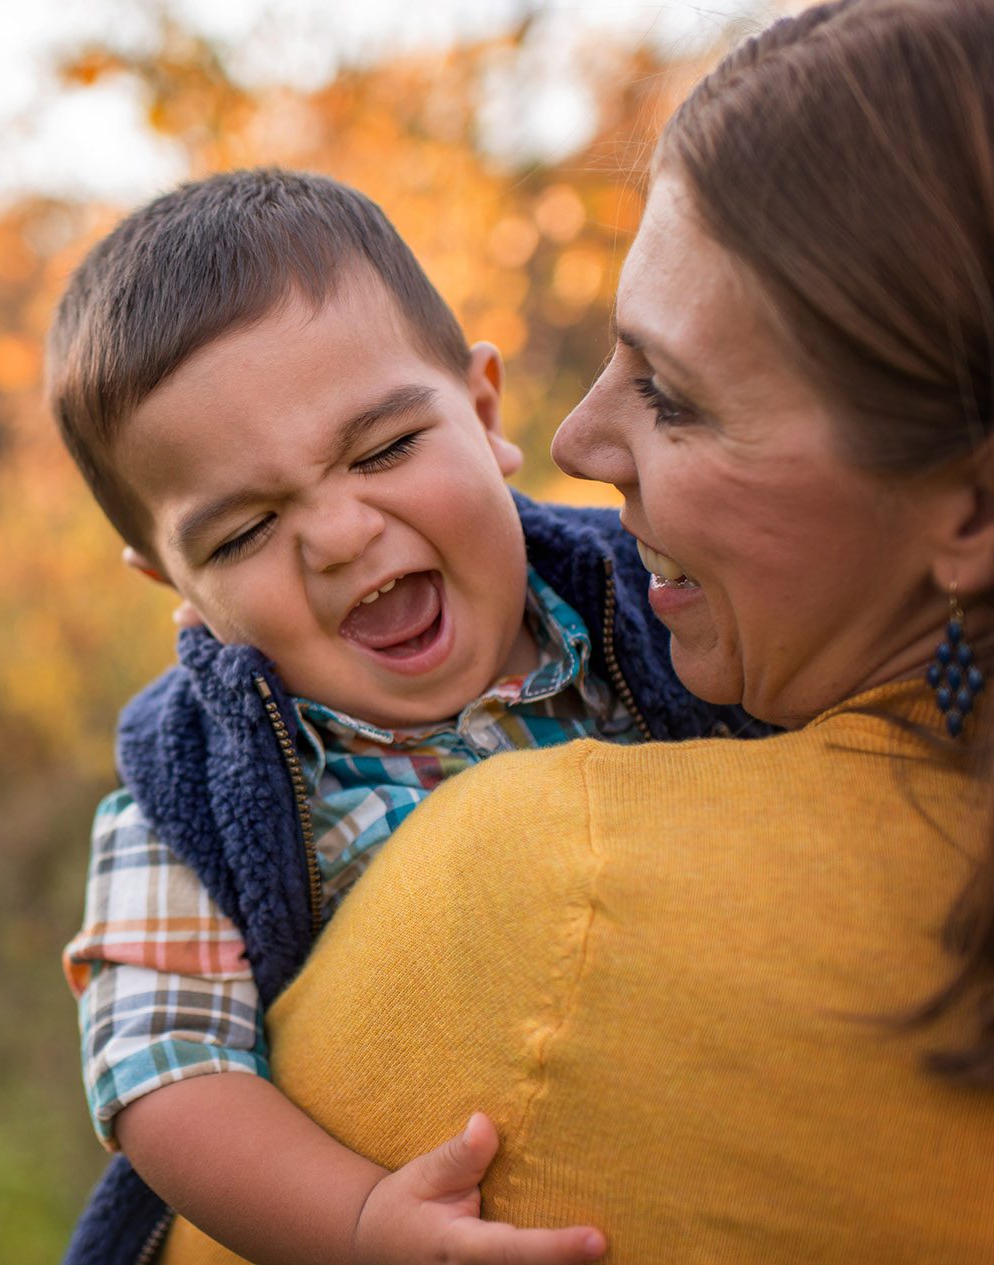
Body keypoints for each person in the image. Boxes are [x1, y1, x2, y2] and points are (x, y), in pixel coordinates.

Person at [155, 0, 994, 1261]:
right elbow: (158, 1053)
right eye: (241, 530)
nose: (576, 445)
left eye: (672, 394)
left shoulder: (554, 882)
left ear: (971, 504)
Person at [46, 169, 755, 1265]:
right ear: (177, 587)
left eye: (381, 451)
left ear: (481, 411)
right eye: (242, 533)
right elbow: (164, 1073)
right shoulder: (186, 792)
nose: (337, 534)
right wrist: (360, 1222)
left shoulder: (657, 611)